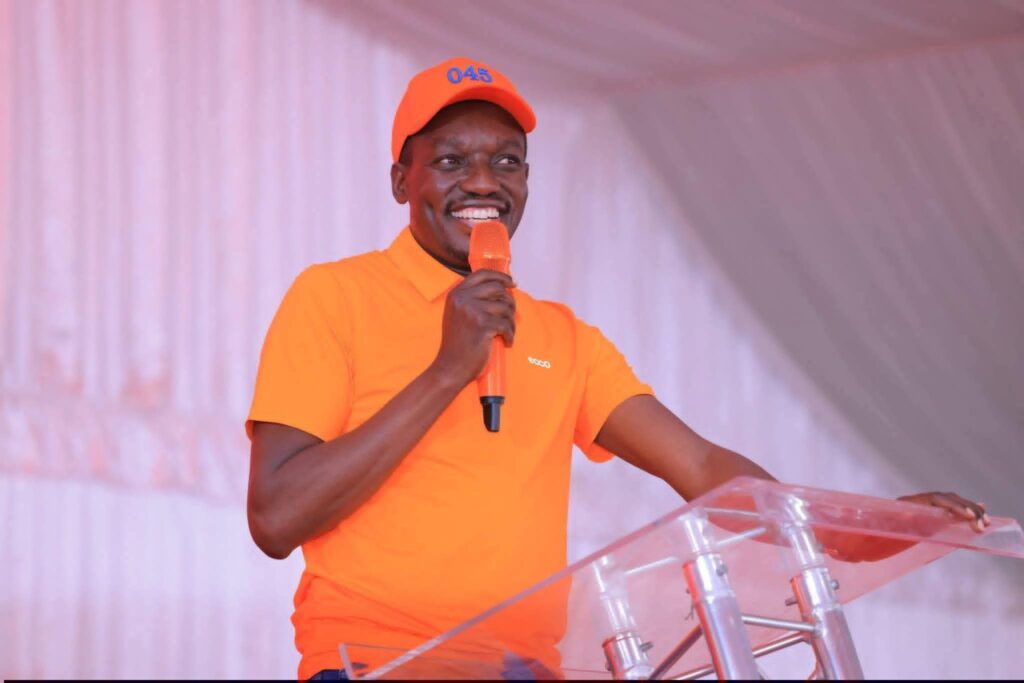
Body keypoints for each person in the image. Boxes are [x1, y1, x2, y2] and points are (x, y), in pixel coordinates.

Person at [245, 57, 989, 680]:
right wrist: (448, 369)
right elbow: (276, 518)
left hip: (522, 669)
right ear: (400, 181)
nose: (483, 182)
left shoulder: (563, 337)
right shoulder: (334, 297)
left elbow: (700, 465)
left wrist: (850, 529)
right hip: (374, 663)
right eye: (450, 160)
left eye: (506, 161)